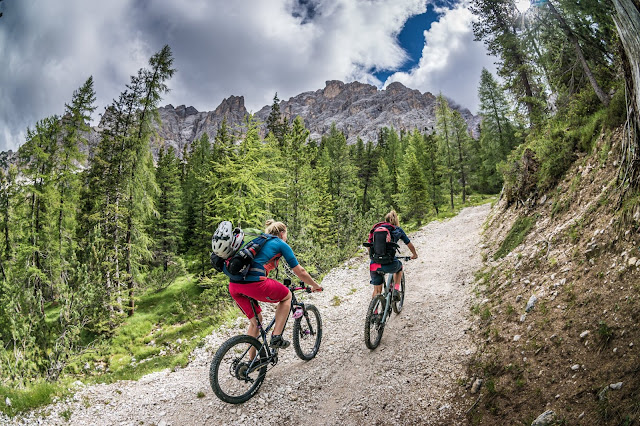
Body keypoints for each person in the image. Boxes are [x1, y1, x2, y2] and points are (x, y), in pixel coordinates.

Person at [226, 220, 322, 349]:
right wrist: (315, 285)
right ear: (282, 233)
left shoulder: (258, 243)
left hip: (234, 285)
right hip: (254, 284)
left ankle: (250, 364)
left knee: (256, 322)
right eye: (286, 234)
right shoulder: (280, 244)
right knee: (287, 296)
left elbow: (261, 268)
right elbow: (301, 271)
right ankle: (276, 337)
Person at [369, 210, 418, 300]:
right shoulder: (397, 230)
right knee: (399, 268)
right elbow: (409, 244)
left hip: (374, 264)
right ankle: (396, 290)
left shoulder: (376, 229)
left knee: (376, 291)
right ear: (396, 220)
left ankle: (374, 312)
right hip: (389, 263)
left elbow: (369, 246)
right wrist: (414, 254)